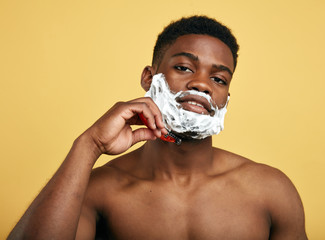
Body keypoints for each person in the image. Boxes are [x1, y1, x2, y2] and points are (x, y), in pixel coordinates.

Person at [8, 16, 307, 240]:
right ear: (149, 78)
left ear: (226, 99)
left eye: (219, 79)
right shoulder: (98, 192)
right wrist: (89, 145)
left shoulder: (271, 190)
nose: (201, 84)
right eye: (184, 68)